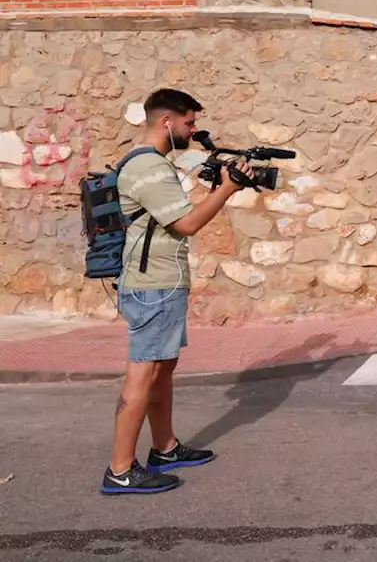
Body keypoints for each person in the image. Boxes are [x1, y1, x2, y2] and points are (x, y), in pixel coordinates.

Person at [101, 88, 248, 495]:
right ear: (168, 121)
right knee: (143, 372)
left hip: (162, 282)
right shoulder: (148, 167)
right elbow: (186, 224)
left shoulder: (155, 165)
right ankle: (119, 470)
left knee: (162, 368)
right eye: (190, 122)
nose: (193, 129)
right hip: (152, 286)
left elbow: (172, 217)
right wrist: (227, 188)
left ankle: (164, 449)